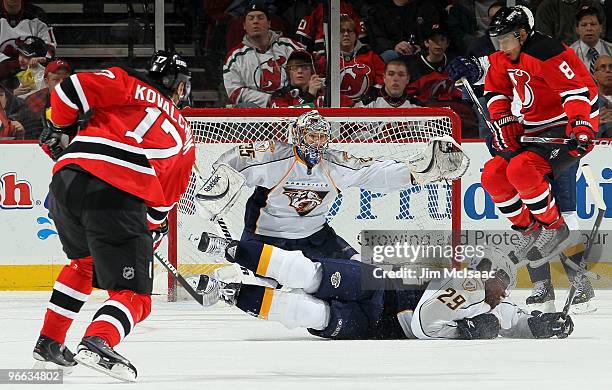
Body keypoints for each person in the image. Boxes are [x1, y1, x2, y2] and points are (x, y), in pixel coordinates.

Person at [32, 51, 196, 382]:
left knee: (84, 263)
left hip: (66, 180)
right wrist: (148, 229)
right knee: (135, 296)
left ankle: (50, 341)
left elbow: (68, 90)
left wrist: (60, 128)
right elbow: (162, 202)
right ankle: (98, 341)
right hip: (116, 193)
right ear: (180, 89)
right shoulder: (185, 136)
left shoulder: (126, 82)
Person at [202, 109, 467, 263]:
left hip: (315, 238)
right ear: (297, 135)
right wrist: (219, 184)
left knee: (359, 273)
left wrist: (419, 172)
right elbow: (234, 158)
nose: (317, 143)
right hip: (266, 238)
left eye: (321, 137)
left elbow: (375, 173)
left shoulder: (336, 164)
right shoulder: (273, 157)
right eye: (311, 136)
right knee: (267, 288)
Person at [190, 238, 574, 340]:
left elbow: (518, 321)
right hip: (383, 283)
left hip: (380, 327)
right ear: (484, 273)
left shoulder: (497, 308)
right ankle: (230, 250)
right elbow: (425, 323)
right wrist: (464, 331)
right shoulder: (468, 285)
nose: (505, 290)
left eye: (507, 284)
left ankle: (231, 294)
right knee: (310, 274)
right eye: (501, 280)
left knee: (310, 314)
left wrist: (543, 324)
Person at [479, 6, 598, 313]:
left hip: (569, 128)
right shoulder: (503, 57)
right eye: (497, 40)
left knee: (563, 215)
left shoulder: (546, 51)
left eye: (505, 39)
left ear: (521, 34)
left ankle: (580, 284)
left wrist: (581, 125)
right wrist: (503, 121)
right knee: (497, 175)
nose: (500, 46)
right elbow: (496, 91)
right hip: (535, 132)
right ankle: (542, 287)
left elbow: (577, 93)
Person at [223, 0, 303, 107]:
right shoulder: (235, 57)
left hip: (289, 106)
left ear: (269, 23)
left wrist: (287, 98)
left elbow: (307, 75)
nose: (255, 21)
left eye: (260, 18)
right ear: (244, 25)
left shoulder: (290, 48)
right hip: (256, 114)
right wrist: (269, 100)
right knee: (245, 108)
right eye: (251, 18)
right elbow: (235, 92)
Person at [315, 15, 384, 106]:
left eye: (350, 31)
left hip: (367, 106)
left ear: (356, 35)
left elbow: (382, 78)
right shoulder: (325, 60)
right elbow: (320, 88)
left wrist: (370, 98)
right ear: (334, 36)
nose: (346, 34)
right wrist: (348, 103)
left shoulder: (371, 57)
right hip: (337, 108)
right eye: (341, 31)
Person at [366, 0, 440, 64]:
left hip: (421, 52)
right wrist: (394, 46)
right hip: (393, 53)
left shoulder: (426, 7)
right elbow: (377, 39)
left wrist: (422, 46)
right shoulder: (378, 10)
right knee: (389, 55)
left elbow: (435, 33)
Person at [0, 0, 55, 80]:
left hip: (32, 75)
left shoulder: (37, 15)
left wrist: (43, 59)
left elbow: (50, 48)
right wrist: (8, 64)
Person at [296, 0, 367, 57]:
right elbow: (304, 37)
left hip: (349, 55)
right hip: (323, 55)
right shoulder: (318, 9)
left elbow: (361, 37)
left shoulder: (348, 8)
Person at [21, 59, 71, 139]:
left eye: (65, 80)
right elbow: (28, 133)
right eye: (56, 80)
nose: (61, 84)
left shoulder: (81, 100)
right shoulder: (33, 100)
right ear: (46, 82)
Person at [356, 59, 420, 108]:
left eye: (401, 75)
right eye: (391, 74)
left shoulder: (416, 105)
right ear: (384, 77)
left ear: (407, 79)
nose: (395, 79)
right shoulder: (368, 103)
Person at [535, 0, 604, 45]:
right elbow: (544, 40)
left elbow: (600, 34)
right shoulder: (546, 7)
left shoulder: (593, 4)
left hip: (588, 53)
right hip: (558, 57)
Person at [570, 6, 612, 74]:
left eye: (593, 24)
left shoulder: (610, 50)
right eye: (584, 25)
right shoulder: (570, 54)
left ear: (601, 28)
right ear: (577, 29)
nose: (589, 28)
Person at [594, 55, 612, 137]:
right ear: (595, 75)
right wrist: (592, 123)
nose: (608, 70)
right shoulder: (586, 103)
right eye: (603, 67)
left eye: (611, 67)